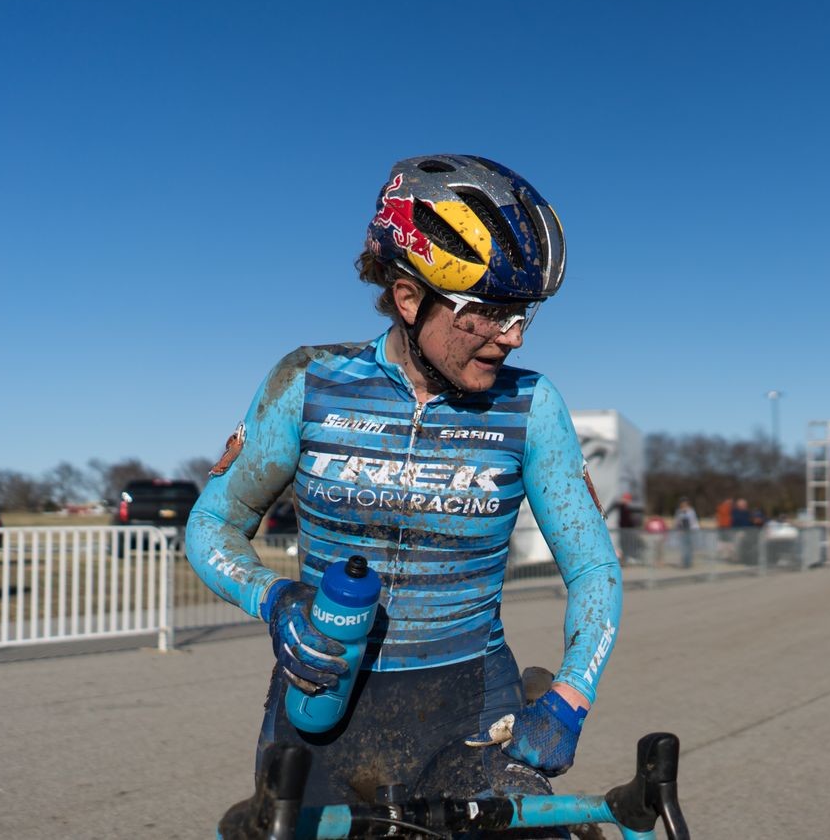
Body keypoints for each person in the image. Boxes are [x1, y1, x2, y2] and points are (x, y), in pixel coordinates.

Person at [186, 154, 622, 836]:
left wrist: (568, 698)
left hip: (471, 699)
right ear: (409, 297)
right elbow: (214, 522)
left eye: (522, 316)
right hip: (325, 697)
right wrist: (275, 601)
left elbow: (593, 567)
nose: (509, 337)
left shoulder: (532, 406)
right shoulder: (308, 382)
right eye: (487, 312)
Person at [673, 497, 699, 568]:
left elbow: (693, 521)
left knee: (689, 547)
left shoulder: (691, 511)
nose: (683, 505)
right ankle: (684, 562)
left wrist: (686, 512)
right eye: (682, 504)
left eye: (685, 503)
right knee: (683, 548)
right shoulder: (678, 512)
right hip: (682, 532)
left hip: (690, 532)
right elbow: (677, 522)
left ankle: (689, 562)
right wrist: (678, 529)